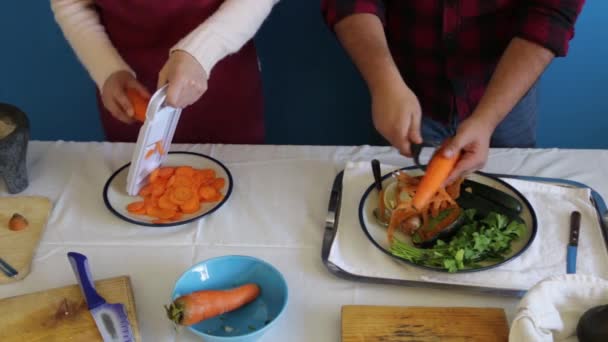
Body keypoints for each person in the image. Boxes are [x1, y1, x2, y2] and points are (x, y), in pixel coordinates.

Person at [322, 1, 584, 182]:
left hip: (505, 95)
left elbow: (551, 14)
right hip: (401, 91)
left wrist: (487, 119)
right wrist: (383, 82)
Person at [51, 0, 280, 144]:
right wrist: (108, 70)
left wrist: (202, 51)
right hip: (131, 93)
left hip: (221, 81)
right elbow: (71, 4)